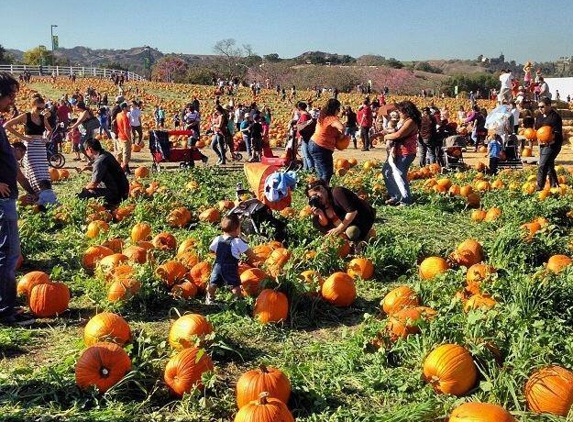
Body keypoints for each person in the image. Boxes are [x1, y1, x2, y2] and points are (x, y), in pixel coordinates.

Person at [0, 72, 35, 326]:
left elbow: (8, 161)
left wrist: (24, 184)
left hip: (8, 195)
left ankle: (5, 305)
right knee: (9, 253)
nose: (13, 100)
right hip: (2, 199)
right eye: (11, 94)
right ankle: (5, 311)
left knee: (7, 252)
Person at [305, 179, 375, 246]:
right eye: (311, 197)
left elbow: (352, 212)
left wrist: (339, 229)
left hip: (361, 218)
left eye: (315, 194)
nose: (315, 198)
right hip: (345, 222)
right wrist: (320, 214)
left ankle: (365, 236)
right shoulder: (320, 202)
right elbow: (325, 224)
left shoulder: (337, 192)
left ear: (322, 189)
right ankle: (348, 242)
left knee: (352, 232)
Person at [4, 95, 52, 193]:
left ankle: (45, 193)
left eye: (43, 108)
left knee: (43, 171)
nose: (41, 110)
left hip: (41, 148)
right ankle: (34, 193)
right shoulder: (26, 116)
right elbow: (7, 125)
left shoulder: (43, 118)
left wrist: (46, 138)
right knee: (33, 171)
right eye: (39, 108)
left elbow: (50, 130)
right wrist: (23, 137)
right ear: (32, 105)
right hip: (30, 147)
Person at [206, 214, 256, 304]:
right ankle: (238, 302)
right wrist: (255, 257)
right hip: (230, 268)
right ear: (237, 229)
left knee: (213, 283)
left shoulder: (218, 239)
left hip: (217, 266)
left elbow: (211, 249)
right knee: (235, 286)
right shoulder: (237, 241)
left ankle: (210, 298)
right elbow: (250, 254)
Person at [382, 101, 421, 206]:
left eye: (400, 111)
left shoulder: (411, 122)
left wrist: (386, 136)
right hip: (397, 151)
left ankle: (406, 200)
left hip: (406, 152)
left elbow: (398, 135)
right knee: (387, 172)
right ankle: (395, 196)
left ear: (406, 111)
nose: (399, 113)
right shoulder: (405, 120)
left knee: (399, 175)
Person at [78, 139, 129, 208]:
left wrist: (84, 190)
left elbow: (94, 184)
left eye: (85, 150)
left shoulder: (99, 162)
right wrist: (89, 168)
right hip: (123, 190)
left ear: (90, 149)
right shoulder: (106, 154)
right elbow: (104, 170)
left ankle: (109, 205)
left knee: (86, 193)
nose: (86, 153)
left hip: (116, 193)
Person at [308, 98, 345, 183]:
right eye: (338, 109)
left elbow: (328, 130)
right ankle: (323, 191)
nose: (339, 111)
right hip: (321, 146)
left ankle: (319, 188)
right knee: (327, 172)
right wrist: (342, 134)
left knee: (321, 172)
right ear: (334, 109)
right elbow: (341, 127)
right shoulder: (331, 119)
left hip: (314, 143)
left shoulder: (322, 117)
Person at [535, 97, 562, 191]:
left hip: (553, 144)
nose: (540, 109)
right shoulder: (539, 116)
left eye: (542, 106)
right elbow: (537, 130)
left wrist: (549, 141)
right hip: (542, 144)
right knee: (549, 165)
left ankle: (539, 188)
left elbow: (556, 133)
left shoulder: (555, 117)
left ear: (549, 106)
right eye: (539, 107)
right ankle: (555, 186)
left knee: (542, 164)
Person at [115, 102, 132, 174]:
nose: (129, 108)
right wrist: (129, 139)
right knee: (126, 155)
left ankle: (116, 168)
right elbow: (126, 130)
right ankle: (121, 170)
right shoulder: (125, 117)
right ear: (124, 108)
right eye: (128, 107)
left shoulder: (118, 115)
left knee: (119, 154)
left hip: (119, 137)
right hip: (125, 138)